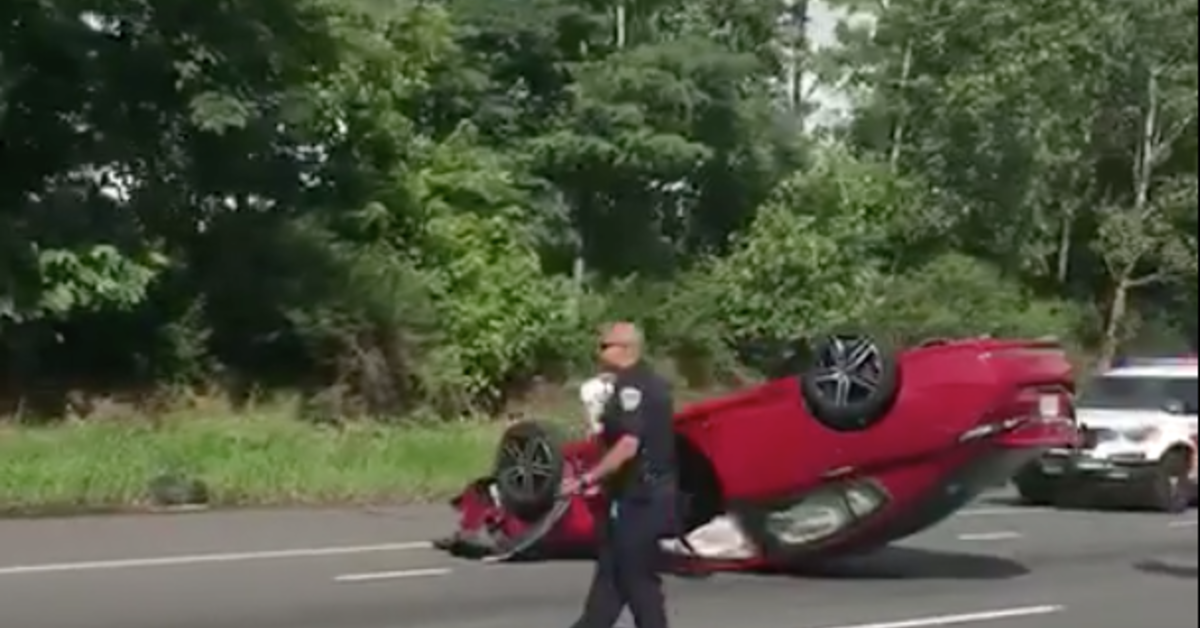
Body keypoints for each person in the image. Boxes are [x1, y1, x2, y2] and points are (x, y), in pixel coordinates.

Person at [563, 321, 676, 628]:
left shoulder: (632, 387)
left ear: (625, 349)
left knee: (637, 582)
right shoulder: (643, 382)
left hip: (643, 499)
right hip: (632, 496)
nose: (598, 351)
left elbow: (628, 444)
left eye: (604, 346)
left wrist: (589, 478)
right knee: (610, 582)